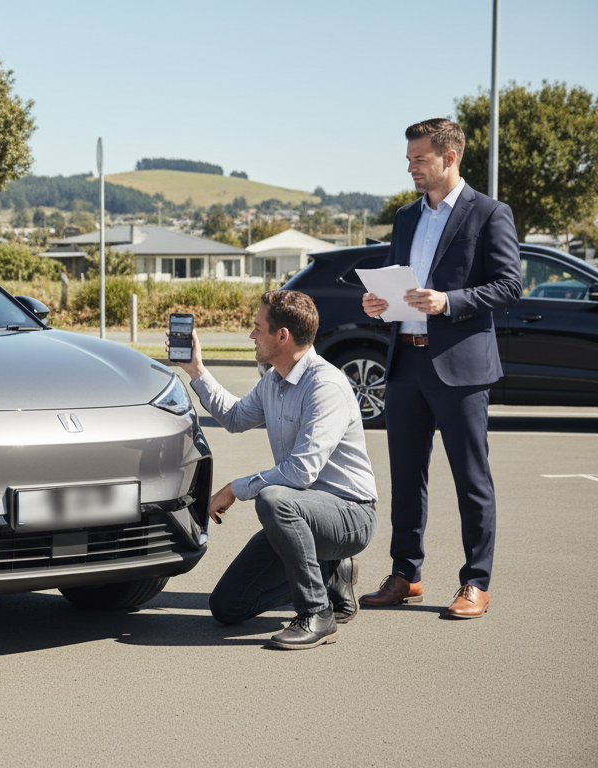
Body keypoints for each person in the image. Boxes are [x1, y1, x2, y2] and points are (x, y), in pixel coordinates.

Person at [359, 118, 521, 619]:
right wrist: (377, 302)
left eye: (419, 159)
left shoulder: (490, 213)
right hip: (405, 360)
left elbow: (509, 284)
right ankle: (405, 574)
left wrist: (447, 301)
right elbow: (394, 277)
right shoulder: (407, 217)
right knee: (406, 478)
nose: (411, 167)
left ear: (449, 158)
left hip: (461, 368)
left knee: (471, 479)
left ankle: (476, 582)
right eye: (409, 159)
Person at [173, 290, 378, 650]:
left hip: (349, 514)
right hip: (301, 513)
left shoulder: (324, 386)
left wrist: (235, 489)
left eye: (257, 327)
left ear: (282, 336)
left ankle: (317, 614)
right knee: (227, 607)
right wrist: (196, 369)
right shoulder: (274, 380)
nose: (252, 335)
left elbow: (301, 473)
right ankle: (330, 572)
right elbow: (235, 418)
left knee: (272, 499)